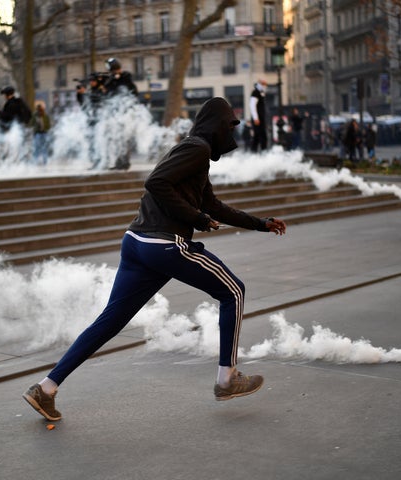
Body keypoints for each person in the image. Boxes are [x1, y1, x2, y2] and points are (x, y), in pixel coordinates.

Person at [22, 97, 288, 422]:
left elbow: (214, 206)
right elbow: (155, 182)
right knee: (233, 291)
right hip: (164, 244)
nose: (230, 133)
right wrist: (197, 218)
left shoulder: (195, 154)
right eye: (228, 125)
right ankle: (226, 378)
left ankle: (46, 388)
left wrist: (260, 223)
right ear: (216, 125)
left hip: (136, 242)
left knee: (110, 321)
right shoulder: (198, 149)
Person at [103, 58, 137, 170]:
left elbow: (133, 91)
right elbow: (107, 91)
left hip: (125, 112)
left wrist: (120, 78)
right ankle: (118, 162)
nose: (113, 73)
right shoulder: (111, 79)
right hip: (115, 112)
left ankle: (125, 162)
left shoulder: (126, 77)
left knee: (124, 137)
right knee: (115, 137)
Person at [249, 79, 268, 153]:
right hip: (258, 119)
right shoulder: (255, 92)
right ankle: (263, 152)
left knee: (257, 137)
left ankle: (254, 152)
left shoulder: (261, 92)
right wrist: (256, 118)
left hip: (260, 118)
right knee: (262, 136)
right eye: (263, 84)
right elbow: (252, 105)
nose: (265, 86)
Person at [30, 101, 51, 165]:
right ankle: (36, 161)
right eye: (38, 109)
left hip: (44, 133)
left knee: (43, 148)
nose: (39, 110)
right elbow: (31, 123)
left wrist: (45, 128)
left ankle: (45, 161)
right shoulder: (35, 116)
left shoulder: (45, 116)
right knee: (37, 147)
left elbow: (48, 125)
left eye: (40, 109)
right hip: (38, 133)